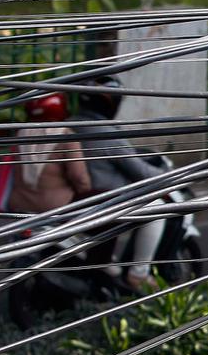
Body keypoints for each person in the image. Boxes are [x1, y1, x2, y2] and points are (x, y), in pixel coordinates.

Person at [70, 75, 168, 291]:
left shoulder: (70, 125)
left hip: (72, 201)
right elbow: (140, 171)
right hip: (102, 201)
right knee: (157, 208)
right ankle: (138, 274)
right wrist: (166, 174)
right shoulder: (105, 132)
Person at [6, 93, 92, 215]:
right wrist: (85, 190)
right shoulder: (67, 136)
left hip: (19, 205)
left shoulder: (20, 134)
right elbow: (79, 177)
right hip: (55, 207)